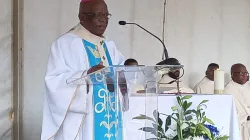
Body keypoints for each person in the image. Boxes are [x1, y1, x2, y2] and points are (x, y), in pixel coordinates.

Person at [41, 0, 125, 140]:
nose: (103, 20)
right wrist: (85, 75)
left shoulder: (109, 46)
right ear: (82, 17)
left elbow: (123, 76)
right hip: (83, 122)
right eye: (98, 15)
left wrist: (129, 73)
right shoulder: (65, 44)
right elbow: (54, 82)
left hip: (112, 116)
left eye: (105, 15)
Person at [225, 63, 250, 140]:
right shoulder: (227, 91)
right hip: (242, 127)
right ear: (233, 75)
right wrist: (246, 117)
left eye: (246, 73)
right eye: (241, 73)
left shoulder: (248, 85)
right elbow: (228, 112)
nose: (244, 75)